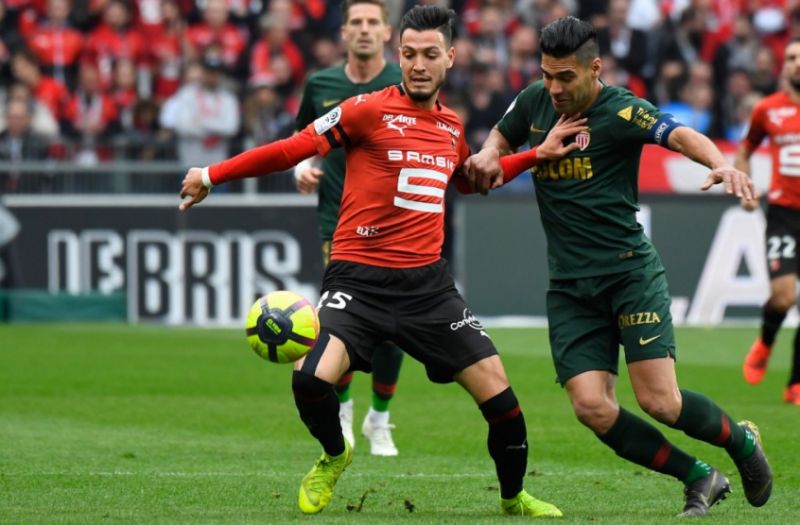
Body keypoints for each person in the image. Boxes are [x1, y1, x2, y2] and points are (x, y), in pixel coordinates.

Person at [180, 5, 585, 517]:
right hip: (358, 284)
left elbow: (467, 180)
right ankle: (335, 453)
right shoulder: (364, 110)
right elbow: (292, 148)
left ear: (450, 58)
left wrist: (535, 155)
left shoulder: (451, 126)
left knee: (503, 402)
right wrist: (211, 175)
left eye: (430, 54)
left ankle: (513, 498)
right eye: (409, 54)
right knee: (308, 380)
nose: (418, 64)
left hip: (429, 291)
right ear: (399, 55)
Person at [466, 16, 773, 518]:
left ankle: (741, 442)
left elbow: (678, 135)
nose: (554, 87)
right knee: (591, 406)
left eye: (565, 77)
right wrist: (487, 153)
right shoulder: (533, 100)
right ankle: (698, 475)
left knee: (661, 402)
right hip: (570, 286)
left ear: (595, 69)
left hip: (629, 274)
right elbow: (501, 138)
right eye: (547, 74)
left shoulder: (622, 109)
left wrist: (720, 163)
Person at [294, 0, 404, 457]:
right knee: (343, 322)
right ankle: (342, 408)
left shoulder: (402, 82)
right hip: (338, 224)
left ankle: (379, 418)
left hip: (396, 225)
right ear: (343, 32)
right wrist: (301, 167)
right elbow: (302, 140)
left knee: (394, 330)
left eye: (372, 22)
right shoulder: (320, 84)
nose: (363, 29)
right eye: (355, 22)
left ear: (386, 32)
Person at [739, 38, 800, 405]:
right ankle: (764, 343)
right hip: (784, 214)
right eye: (792, 57)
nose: (797, 63)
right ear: (784, 65)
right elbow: (745, 151)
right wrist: (746, 188)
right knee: (784, 296)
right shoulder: (767, 109)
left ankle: (795, 383)